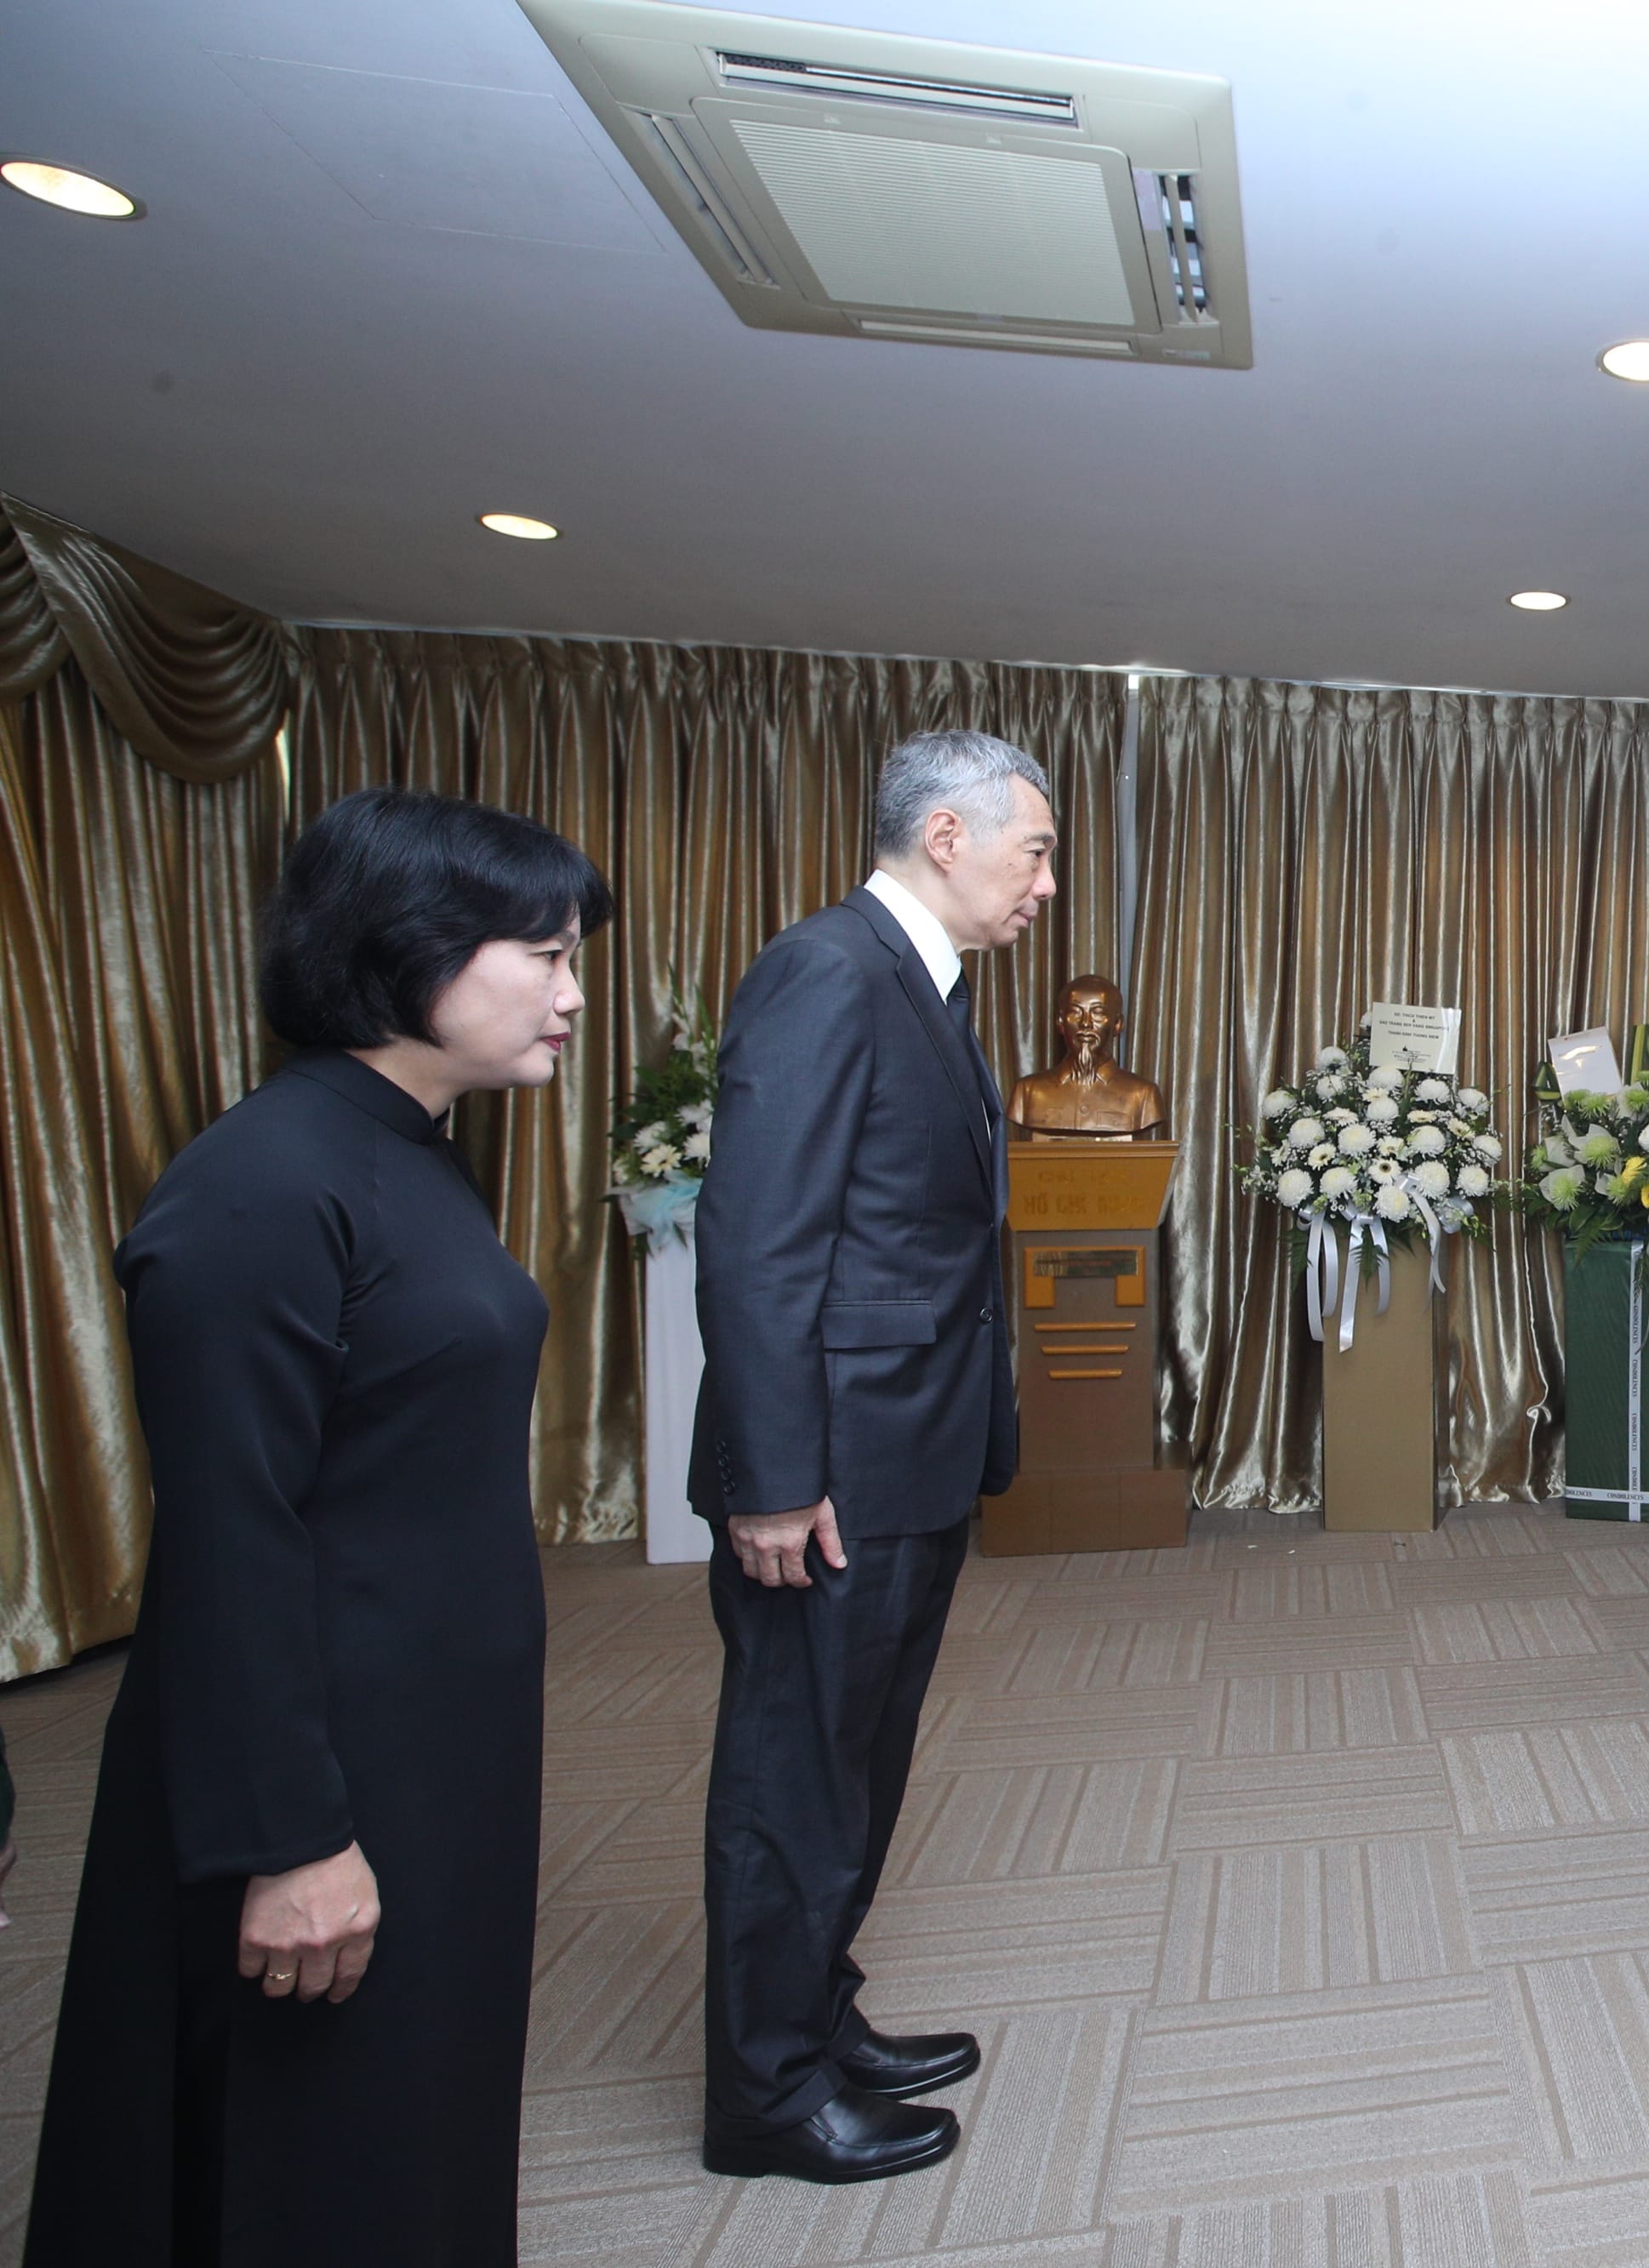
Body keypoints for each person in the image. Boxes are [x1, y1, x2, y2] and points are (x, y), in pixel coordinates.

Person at [26, 787, 608, 2265]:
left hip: (429, 1734)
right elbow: (230, 1537)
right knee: (314, 2134)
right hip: (323, 1758)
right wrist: (290, 1841)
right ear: (409, 952)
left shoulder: (412, 1150)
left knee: (413, 2101)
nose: (574, 991)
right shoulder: (262, 1186)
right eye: (540, 954)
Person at [690, 728, 1055, 2184]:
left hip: (904, 1453)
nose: (1045, 887)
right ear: (948, 837)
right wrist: (773, 1478)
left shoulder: (921, 982)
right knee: (794, 1780)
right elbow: (757, 1242)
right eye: (1034, 853)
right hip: (828, 1476)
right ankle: (763, 2096)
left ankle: (813, 2014)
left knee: (856, 1762)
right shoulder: (828, 969)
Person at [1005, 972, 1164, 1136]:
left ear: (1118, 1024)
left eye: (1098, 1013)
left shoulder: (1143, 1095)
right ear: (1060, 1022)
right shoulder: (1027, 1091)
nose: (1085, 1023)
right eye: (1075, 1012)